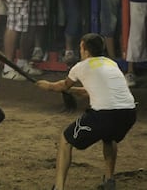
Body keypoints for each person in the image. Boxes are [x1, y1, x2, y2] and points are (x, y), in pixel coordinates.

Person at [36, 33, 136, 190]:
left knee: (65, 139)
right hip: (128, 113)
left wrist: (46, 85)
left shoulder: (80, 67)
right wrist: (74, 91)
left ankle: (59, 187)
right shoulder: (111, 63)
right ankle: (109, 181)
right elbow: (96, 89)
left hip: (104, 115)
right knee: (109, 138)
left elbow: (62, 86)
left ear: (85, 50)